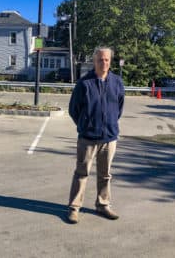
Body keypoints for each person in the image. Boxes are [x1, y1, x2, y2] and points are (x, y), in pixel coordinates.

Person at [67, 46, 125, 224]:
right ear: (94, 61)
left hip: (109, 137)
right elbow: (73, 110)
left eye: (107, 59)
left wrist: (110, 125)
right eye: (100, 59)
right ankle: (74, 207)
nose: (104, 63)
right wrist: (86, 125)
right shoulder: (84, 83)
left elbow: (119, 108)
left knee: (105, 174)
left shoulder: (117, 82)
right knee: (81, 173)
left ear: (110, 61)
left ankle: (103, 204)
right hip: (88, 138)